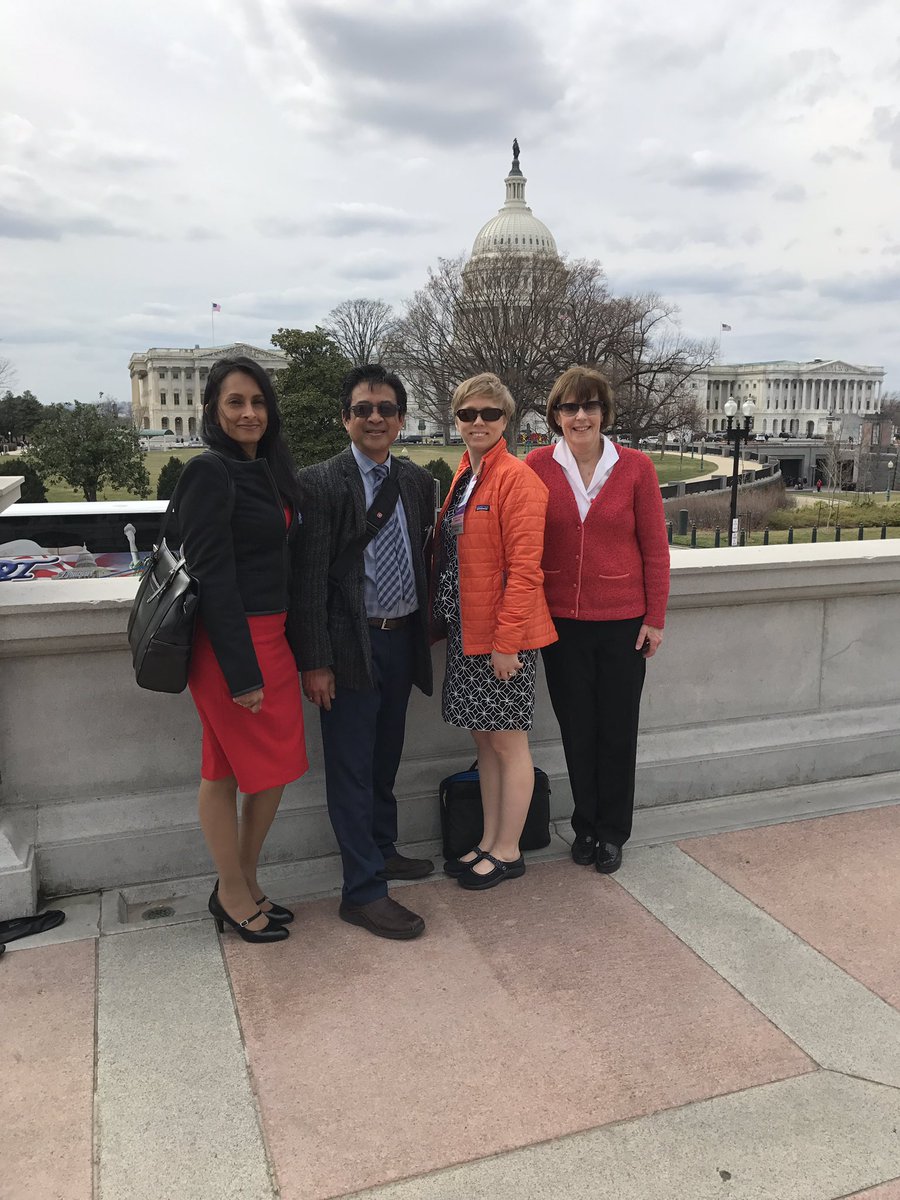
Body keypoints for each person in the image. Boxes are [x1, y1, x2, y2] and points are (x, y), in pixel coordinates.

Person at [296, 364, 436, 940]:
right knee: (351, 767)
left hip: (402, 638)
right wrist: (316, 661)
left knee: (386, 756)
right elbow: (306, 583)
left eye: (385, 409)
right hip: (349, 647)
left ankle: (382, 847)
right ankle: (362, 890)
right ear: (345, 418)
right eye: (362, 409)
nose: (374, 418)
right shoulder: (320, 482)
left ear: (400, 420)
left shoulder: (416, 482)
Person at [174, 356, 308, 944]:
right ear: (213, 410)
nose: (249, 412)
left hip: (270, 633)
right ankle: (233, 887)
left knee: (232, 765)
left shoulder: (270, 469)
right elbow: (213, 576)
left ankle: (242, 880)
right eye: (235, 402)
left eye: (257, 402)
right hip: (233, 642)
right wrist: (240, 672)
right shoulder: (210, 472)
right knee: (251, 767)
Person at [526, 366, 670, 874]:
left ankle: (612, 832)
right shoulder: (537, 466)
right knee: (576, 730)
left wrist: (655, 617)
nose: (580, 415)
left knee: (617, 730)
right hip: (560, 624)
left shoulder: (635, 468)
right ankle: (584, 824)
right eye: (570, 407)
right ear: (556, 415)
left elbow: (655, 548)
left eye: (589, 406)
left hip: (623, 624)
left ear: (605, 413)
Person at [434, 373, 557, 890]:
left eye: (489, 414)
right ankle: (487, 840)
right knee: (484, 742)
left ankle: (509, 850)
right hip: (469, 633)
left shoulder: (517, 478)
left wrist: (507, 645)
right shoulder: (468, 474)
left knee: (509, 743)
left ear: (506, 419)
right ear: (456, 420)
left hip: (504, 640)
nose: (478, 422)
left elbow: (526, 571)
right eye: (468, 414)